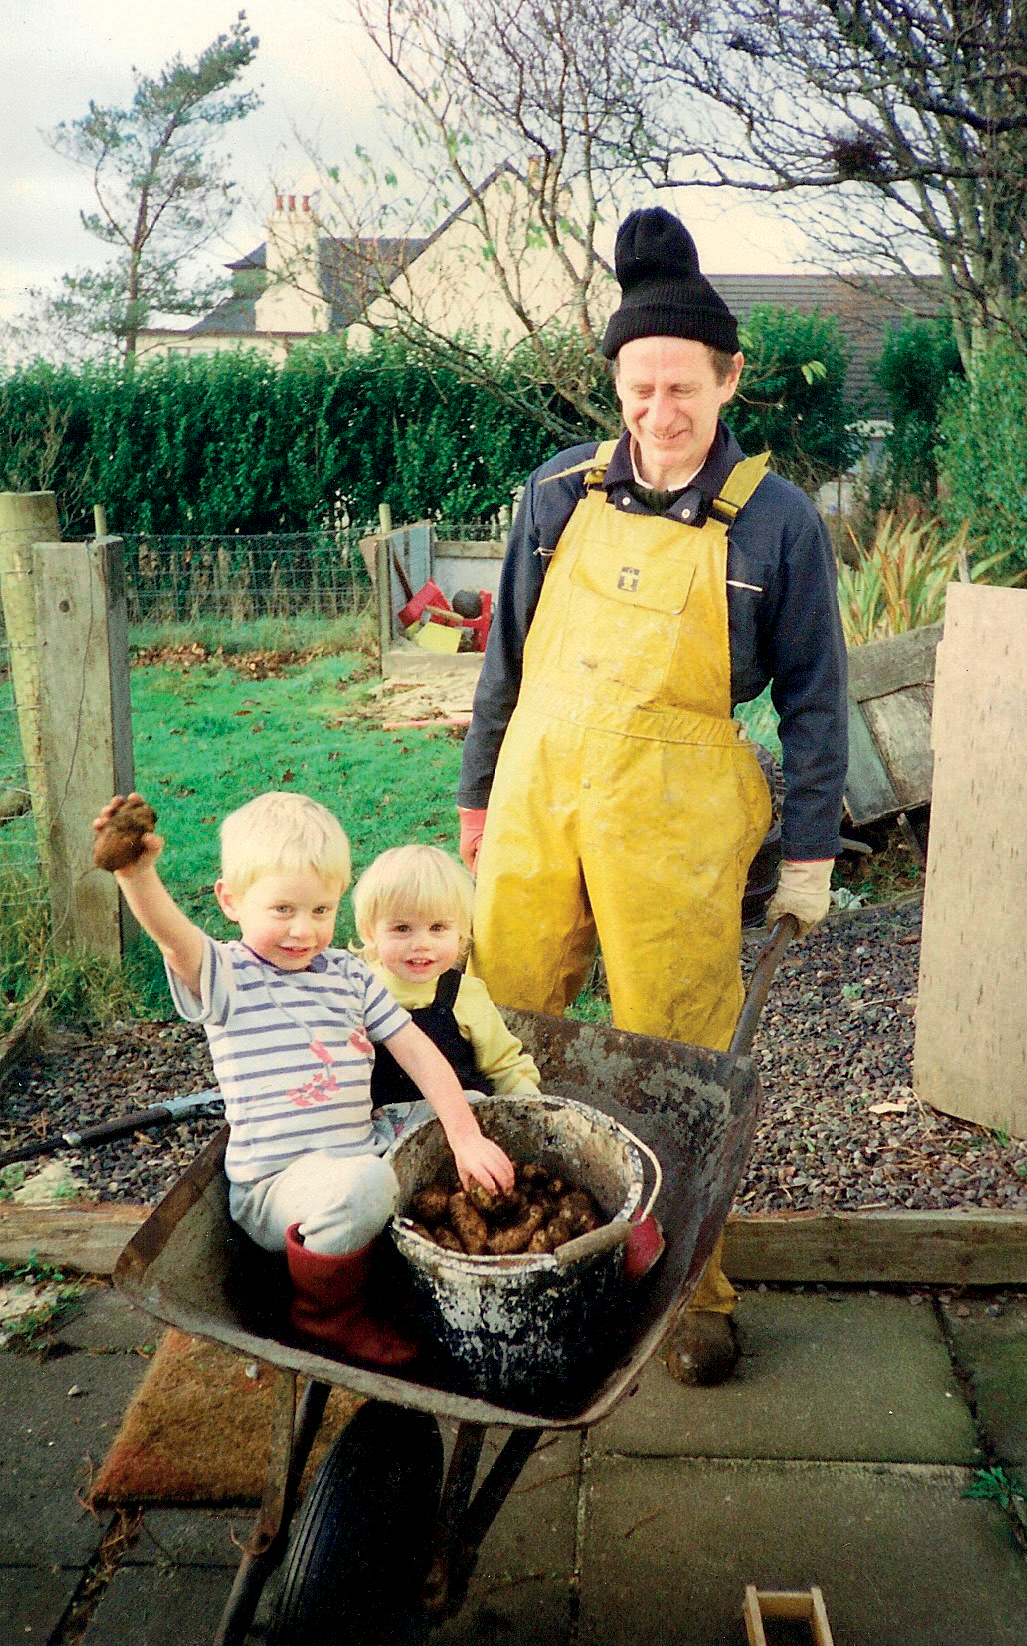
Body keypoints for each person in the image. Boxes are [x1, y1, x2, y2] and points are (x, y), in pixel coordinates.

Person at [456, 206, 848, 1385]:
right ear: (616, 384)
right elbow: (504, 666)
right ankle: (509, 1262)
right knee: (501, 1025)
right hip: (535, 797)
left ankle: (691, 1292)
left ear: (728, 380)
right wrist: (479, 801)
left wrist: (813, 850)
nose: (661, 413)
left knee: (676, 1049)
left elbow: (817, 700)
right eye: (639, 388)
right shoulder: (553, 496)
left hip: (677, 818)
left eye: (683, 386)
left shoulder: (774, 523)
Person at [92, 789, 514, 1372]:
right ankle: (326, 1314)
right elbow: (171, 934)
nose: (303, 931)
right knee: (365, 1185)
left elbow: (416, 1049)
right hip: (279, 1185)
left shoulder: (348, 974)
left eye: (320, 911)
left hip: (361, 1143)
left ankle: (488, 1235)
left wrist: (465, 1134)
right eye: (282, 910)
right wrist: (136, 874)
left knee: (472, 1105)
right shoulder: (227, 975)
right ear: (231, 900)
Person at [353, 843, 541, 1107]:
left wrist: (530, 1109)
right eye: (402, 928)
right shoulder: (358, 991)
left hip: (462, 1119)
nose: (421, 943)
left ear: (460, 932)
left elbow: (504, 1066)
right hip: (384, 1125)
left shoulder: (465, 995)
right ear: (371, 933)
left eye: (437, 927)